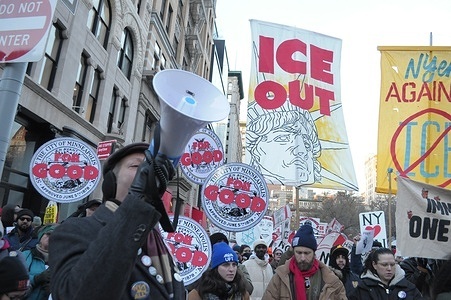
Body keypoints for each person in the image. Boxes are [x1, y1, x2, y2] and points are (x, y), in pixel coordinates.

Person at [49, 142, 186, 299]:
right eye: (136, 166)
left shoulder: (155, 239)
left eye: (154, 168)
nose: (148, 172)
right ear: (110, 182)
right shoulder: (73, 230)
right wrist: (136, 202)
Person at [262, 224, 346, 300]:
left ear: (314, 253)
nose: (302, 258)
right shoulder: (280, 277)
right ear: (293, 252)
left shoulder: (331, 281)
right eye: (299, 253)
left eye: (307, 253)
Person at [187, 232, 254, 295]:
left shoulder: (240, 267)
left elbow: (249, 289)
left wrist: (236, 270)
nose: (231, 269)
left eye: (225, 243)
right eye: (218, 243)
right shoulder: (201, 267)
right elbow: (189, 287)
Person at [348, 247, 423, 299]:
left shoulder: (409, 288)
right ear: (374, 265)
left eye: (392, 264)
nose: (389, 268)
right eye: (384, 265)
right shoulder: (362, 289)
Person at [22, 224, 56, 300]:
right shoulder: (25, 256)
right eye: (48, 234)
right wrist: (35, 279)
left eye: (56, 236)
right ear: (40, 236)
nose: (51, 237)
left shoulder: (60, 260)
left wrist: (54, 290)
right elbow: (14, 280)